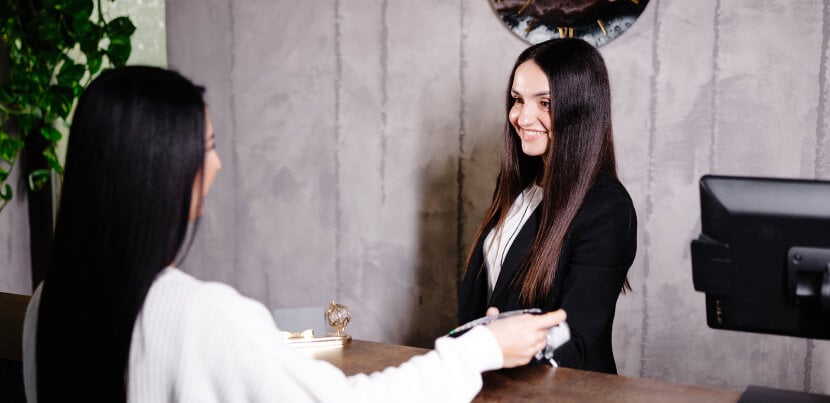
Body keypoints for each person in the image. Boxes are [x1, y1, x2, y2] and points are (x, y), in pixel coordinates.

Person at [21, 66, 566, 402]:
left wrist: (274, 337)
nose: (215, 168)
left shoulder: (47, 302)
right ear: (164, 170)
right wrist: (479, 351)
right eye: (207, 147)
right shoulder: (198, 315)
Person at [458, 38, 637, 375]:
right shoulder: (518, 185)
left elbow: (576, 339)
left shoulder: (608, 210)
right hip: (491, 383)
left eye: (545, 103)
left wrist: (486, 350)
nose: (522, 116)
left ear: (581, 109)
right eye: (517, 100)